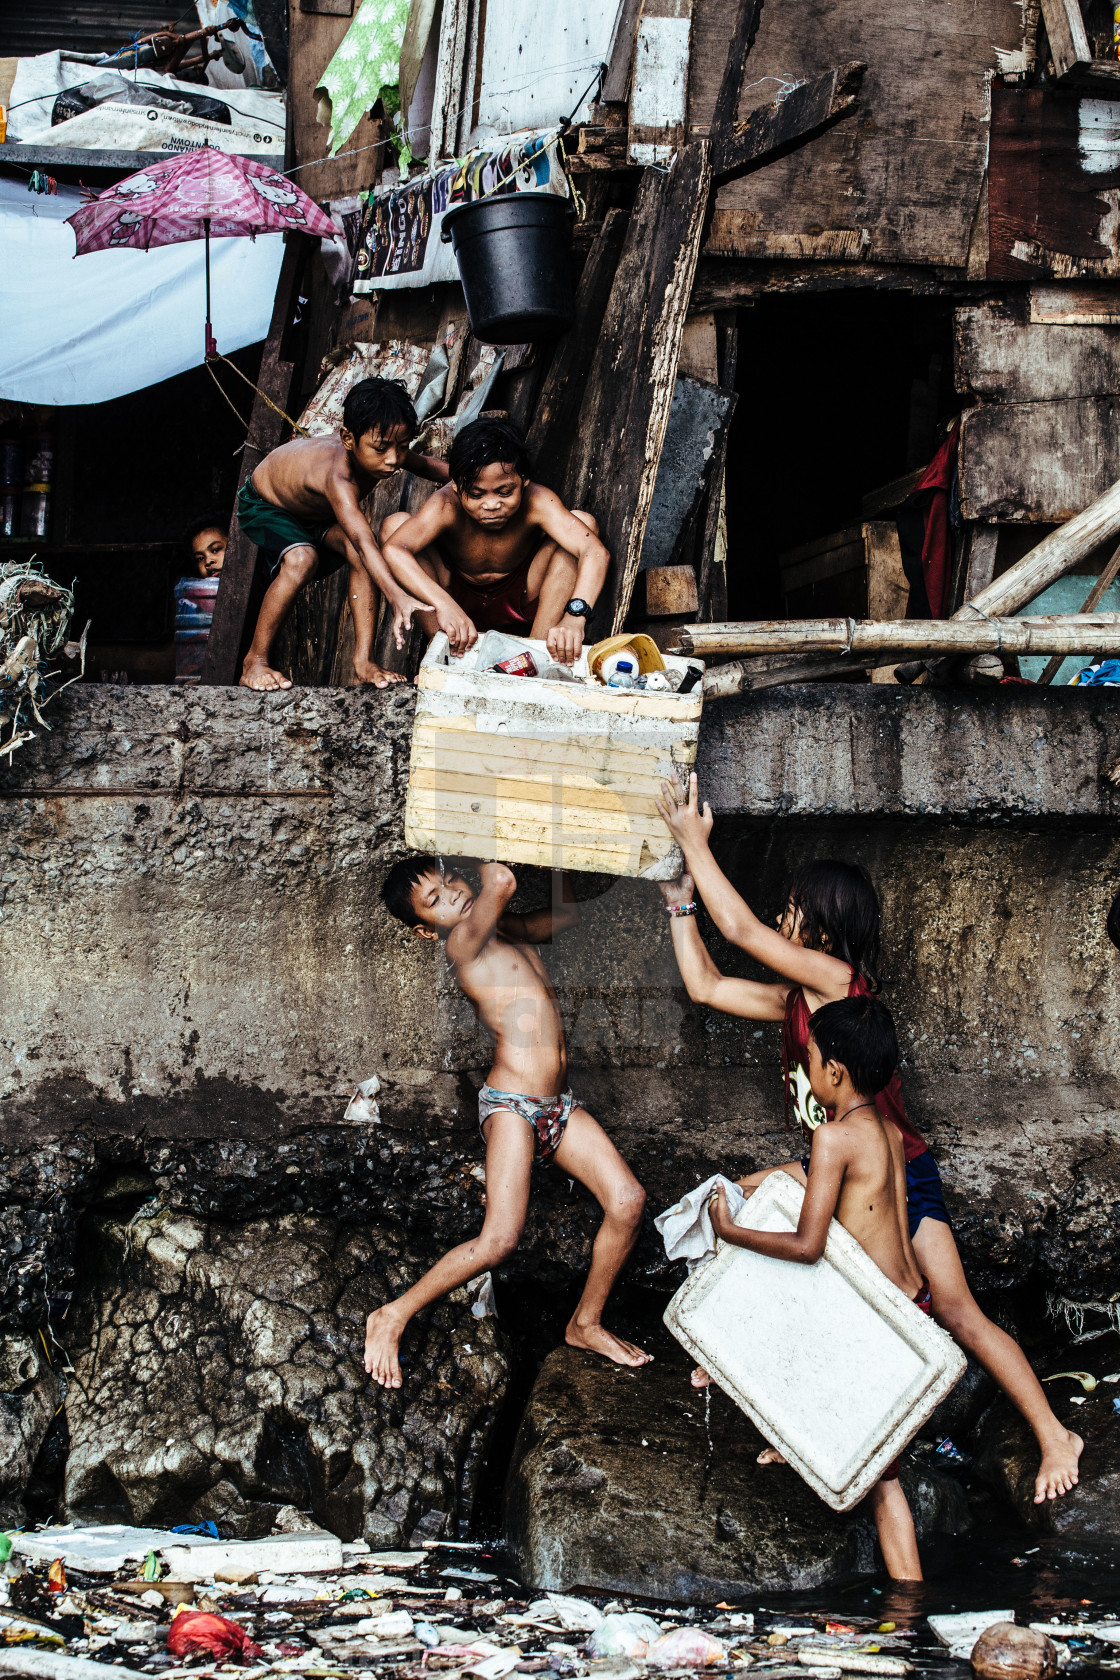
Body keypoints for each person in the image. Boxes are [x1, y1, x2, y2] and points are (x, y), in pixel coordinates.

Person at [654, 769, 1084, 1506]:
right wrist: (680, 905)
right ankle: (766, 1397)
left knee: (955, 1311)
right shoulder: (800, 998)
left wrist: (695, 843)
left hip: (899, 1174)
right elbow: (707, 986)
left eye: (792, 911)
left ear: (821, 931)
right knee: (736, 1203)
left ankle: (1052, 1433)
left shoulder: (837, 981)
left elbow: (744, 934)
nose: (780, 921)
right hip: (831, 1162)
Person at [368, 857, 649, 1386]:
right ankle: (393, 1314)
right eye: (436, 899)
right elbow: (500, 880)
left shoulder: (505, 928)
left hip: (556, 1106)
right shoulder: (462, 945)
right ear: (427, 930)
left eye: (450, 881)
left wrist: (563, 851)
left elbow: (565, 916)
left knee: (629, 1203)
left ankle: (584, 1322)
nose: (452, 894)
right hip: (513, 1108)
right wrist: (503, 825)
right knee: (499, 1240)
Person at [709, 994, 929, 1582]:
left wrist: (731, 1230)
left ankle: (910, 1608)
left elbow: (809, 1246)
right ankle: (805, 1435)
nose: (806, 1072)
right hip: (911, 1302)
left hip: (879, 1324)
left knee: (884, 1483)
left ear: (834, 1072)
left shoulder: (833, 1138)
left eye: (809, 1060)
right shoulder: (885, 1132)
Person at [235, 378, 459, 693]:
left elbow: (434, 468)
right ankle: (254, 661)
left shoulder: (388, 448)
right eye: (381, 448)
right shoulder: (338, 476)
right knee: (303, 559)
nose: (394, 459)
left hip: (316, 514)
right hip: (267, 505)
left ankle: (363, 663)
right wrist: (396, 595)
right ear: (348, 438)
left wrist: (475, 476)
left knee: (358, 556)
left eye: (402, 446)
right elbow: (363, 541)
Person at [380, 417, 610, 664]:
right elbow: (394, 549)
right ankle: (447, 657)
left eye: (504, 492)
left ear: (523, 480)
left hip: (522, 598)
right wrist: (444, 603)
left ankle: (534, 659)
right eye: (476, 494)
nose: (491, 505)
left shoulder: (538, 501)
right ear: (457, 487)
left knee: (583, 523)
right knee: (395, 527)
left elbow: (594, 551)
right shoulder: (445, 503)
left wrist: (575, 617)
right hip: (455, 602)